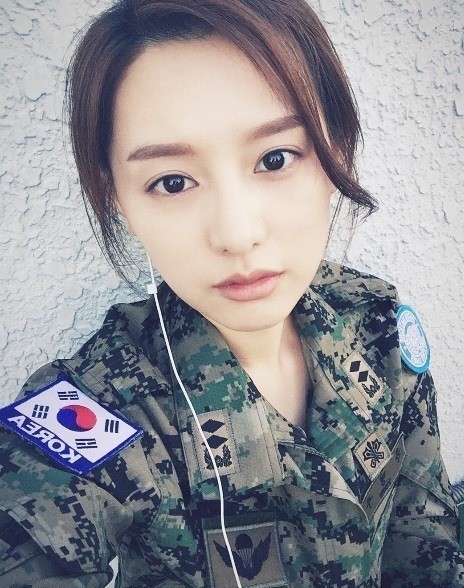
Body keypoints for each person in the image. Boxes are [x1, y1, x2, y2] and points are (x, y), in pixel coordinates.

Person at [0, 0, 463, 586]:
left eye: (275, 158)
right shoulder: (105, 401)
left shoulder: (378, 326)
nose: (237, 234)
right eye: (172, 181)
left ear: (336, 152)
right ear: (119, 198)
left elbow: (426, 541)